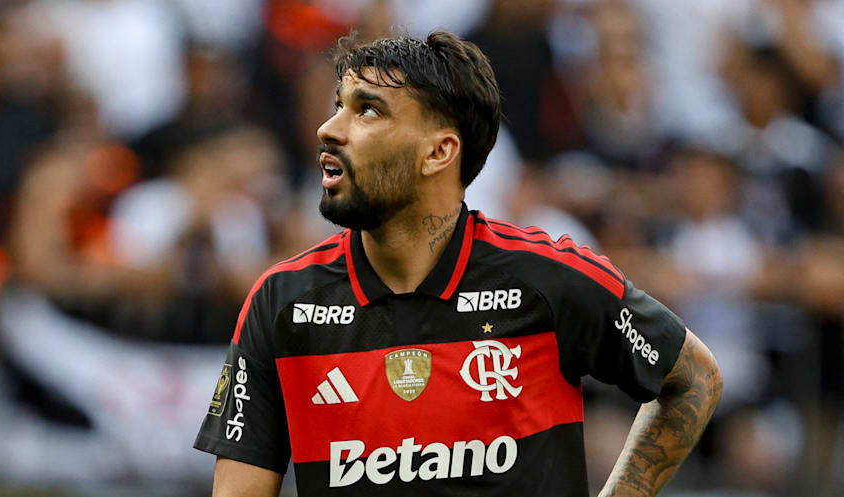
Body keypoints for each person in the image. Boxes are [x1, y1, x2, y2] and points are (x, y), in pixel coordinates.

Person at [194, 31, 722, 497]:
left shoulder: (549, 279)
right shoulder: (282, 302)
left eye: (367, 110)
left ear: (438, 153)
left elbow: (694, 376)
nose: (329, 129)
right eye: (337, 106)